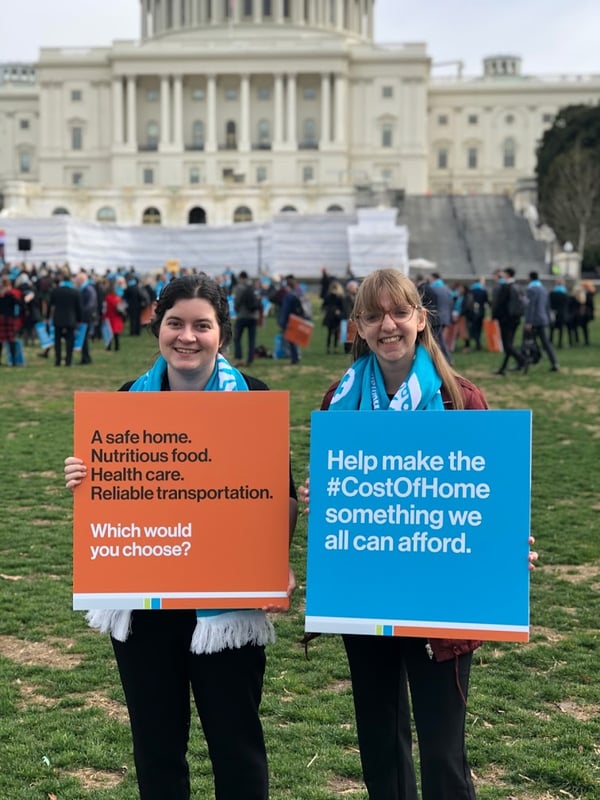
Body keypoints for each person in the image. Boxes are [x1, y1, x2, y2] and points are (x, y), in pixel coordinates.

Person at [299, 268, 537, 800]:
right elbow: (341, 498)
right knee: (380, 744)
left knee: (442, 750)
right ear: (357, 326)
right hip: (366, 595)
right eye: (374, 315)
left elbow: (487, 495)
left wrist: (504, 546)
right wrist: (325, 499)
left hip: (440, 600)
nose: (388, 325)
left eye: (399, 312)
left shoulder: (459, 398)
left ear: (420, 319)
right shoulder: (338, 400)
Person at [64, 274, 298, 800]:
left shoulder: (253, 397)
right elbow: (112, 488)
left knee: (236, 743)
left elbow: (279, 495)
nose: (187, 337)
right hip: (147, 603)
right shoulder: (127, 400)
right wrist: (84, 477)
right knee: (156, 744)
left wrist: (275, 562)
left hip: (226, 599)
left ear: (222, 333)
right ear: (157, 326)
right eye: (176, 323)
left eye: (202, 325)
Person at [491, 267, 525, 375]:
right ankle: (503, 368)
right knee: (509, 344)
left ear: (507, 274)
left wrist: (494, 316)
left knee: (507, 345)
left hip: (506, 320)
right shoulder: (518, 286)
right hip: (516, 318)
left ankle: (522, 360)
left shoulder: (505, 287)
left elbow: (500, 304)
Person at [524, 271, 559, 372]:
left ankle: (525, 362)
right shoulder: (543, 289)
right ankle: (554, 363)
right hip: (543, 319)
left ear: (530, 278)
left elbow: (531, 307)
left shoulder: (531, 289)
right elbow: (547, 306)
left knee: (528, 342)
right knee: (546, 343)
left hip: (534, 320)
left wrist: (528, 322)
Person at [47, 268, 83, 367]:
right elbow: (79, 307)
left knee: (57, 341)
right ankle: (68, 360)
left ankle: (58, 360)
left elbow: (50, 305)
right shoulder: (75, 292)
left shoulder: (55, 290)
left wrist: (47, 317)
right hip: (71, 318)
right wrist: (80, 319)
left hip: (58, 318)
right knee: (70, 341)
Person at [233, 270, 261, 366]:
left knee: (237, 338)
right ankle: (250, 360)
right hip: (253, 316)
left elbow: (236, 302)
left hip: (242, 316)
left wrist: (237, 310)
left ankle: (239, 358)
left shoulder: (238, 288)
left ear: (240, 278)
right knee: (251, 339)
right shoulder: (253, 287)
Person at [321, 279, 345, 354]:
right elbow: (324, 305)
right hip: (331, 316)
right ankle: (330, 348)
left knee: (334, 333)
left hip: (335, 317)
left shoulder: (339, 296)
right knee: (331, 333)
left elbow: (342, 306)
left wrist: (339, 311)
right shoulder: (329, 296)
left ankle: (333, 348)